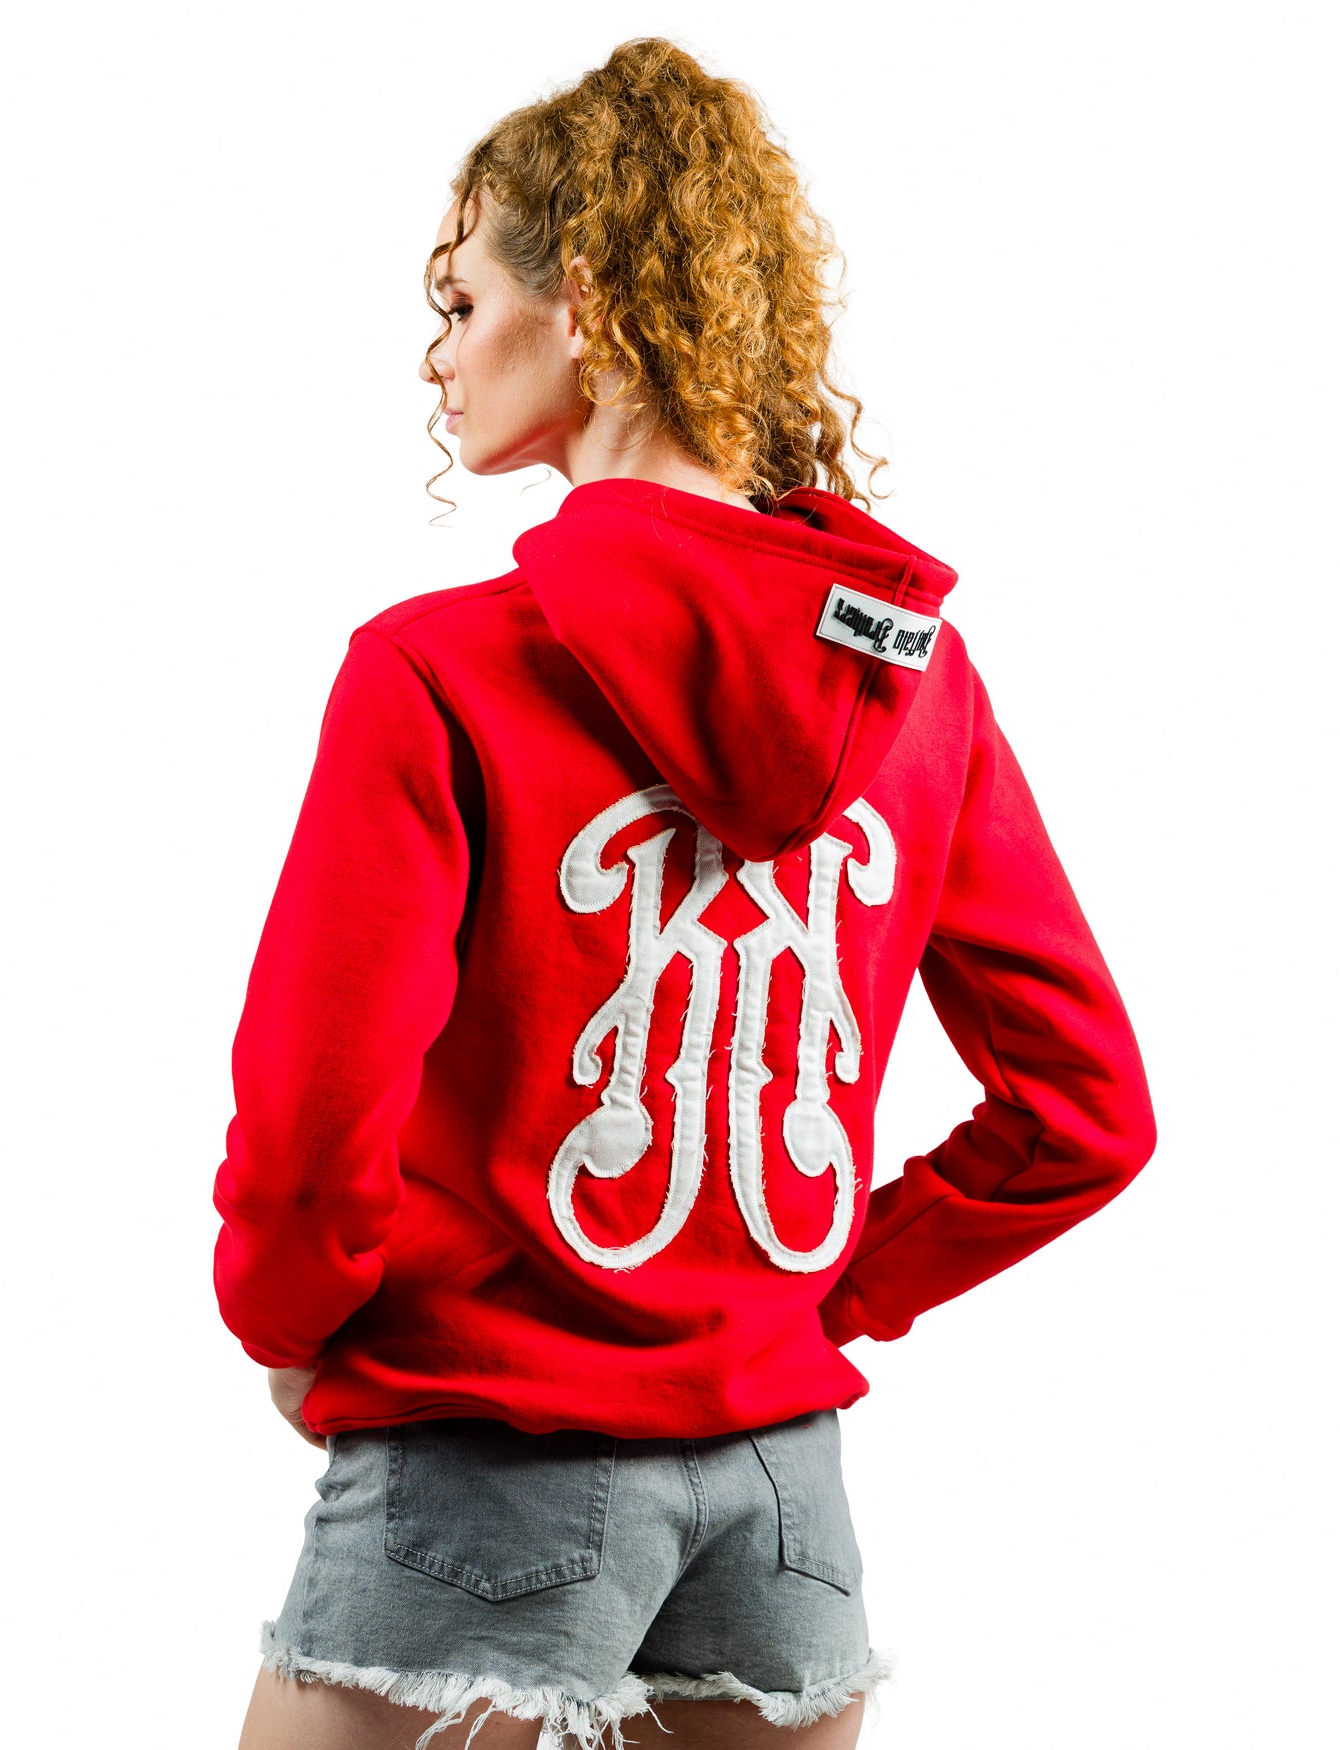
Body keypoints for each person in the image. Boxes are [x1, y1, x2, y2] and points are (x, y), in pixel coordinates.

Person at [215, 36, 1156, 1750]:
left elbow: (308, 1122)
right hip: (785, 1504)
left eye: (458, 299)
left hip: (484, 1455)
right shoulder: (918, 690)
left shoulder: (432, 673)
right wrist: (827, 1288)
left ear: (579, 298)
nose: (435, 353)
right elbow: (1084, 1107)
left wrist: (288, 1323)